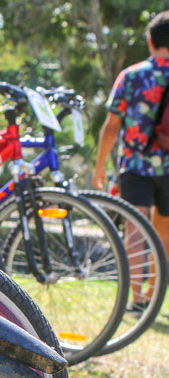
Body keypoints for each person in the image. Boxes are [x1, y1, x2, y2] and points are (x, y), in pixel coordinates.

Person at [93, 11, 169, 313]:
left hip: (135, 166)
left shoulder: (132, 75)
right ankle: (153, 295)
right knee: (163, 233)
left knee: (135, 232)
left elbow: (112, 126)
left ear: (150, 41)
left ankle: (135, 297)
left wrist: (100, 165)